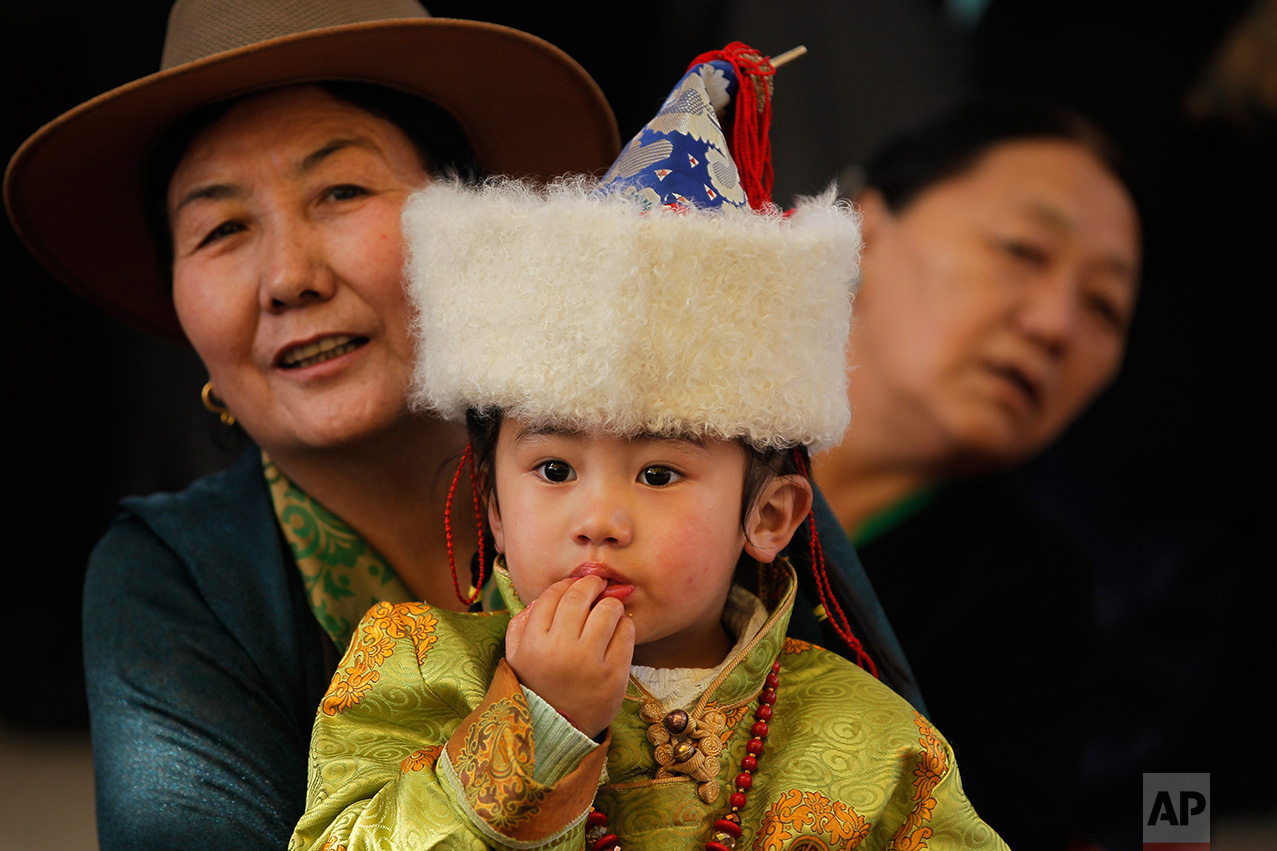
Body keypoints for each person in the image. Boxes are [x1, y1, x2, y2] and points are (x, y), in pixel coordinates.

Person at [291, 46, 1006, 851]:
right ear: (491, 502)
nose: (598, 519)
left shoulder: (876, 739)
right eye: (554, 469)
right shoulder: (418, 671)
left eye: (658, 472)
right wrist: (538, 726)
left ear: (768, 513)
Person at [4, 1, 621, 847]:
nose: (288, 277)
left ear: (474, 228)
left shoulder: (683, 463)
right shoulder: (177, 579)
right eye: (221, 228)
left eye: (341, 190)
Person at [813, 99, 1142, 847]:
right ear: (864, 227)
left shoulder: (1040, 600)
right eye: (1023, 250)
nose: (1054, 324)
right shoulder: (656, 422)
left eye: (1103, 306)